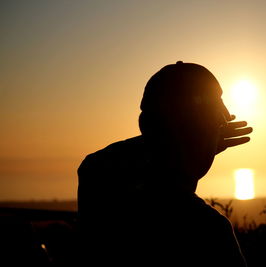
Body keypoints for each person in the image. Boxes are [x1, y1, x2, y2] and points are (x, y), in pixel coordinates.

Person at [77, 61, 252, 266]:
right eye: (213, 127)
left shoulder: (102, 190)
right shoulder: (206, 228)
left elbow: (95, 164)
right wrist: (195, 142)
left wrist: (174, 138)